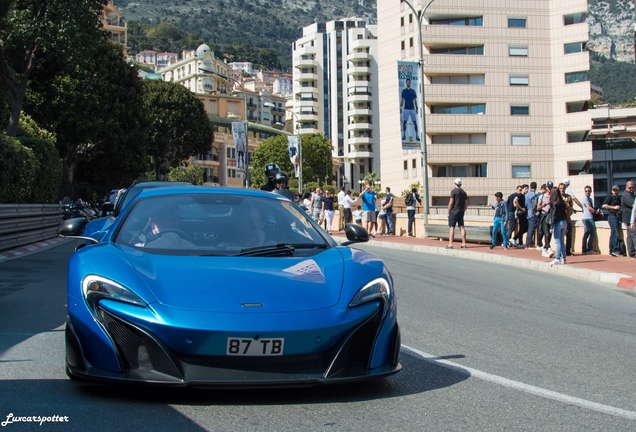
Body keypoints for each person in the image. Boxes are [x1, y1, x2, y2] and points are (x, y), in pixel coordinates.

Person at [549, 183, 570, 266]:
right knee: (562, 241)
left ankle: (557, 258)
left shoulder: (554, 203)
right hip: (564, 222)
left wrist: (551, 226)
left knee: (557, 241)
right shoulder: (562, 202)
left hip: (557, 222)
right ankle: (564, 258)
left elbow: (553, 215)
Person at [446, 178, 468, 249]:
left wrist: (448, 212)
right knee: (462, 227)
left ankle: (450, 244)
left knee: (452, 227)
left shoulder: (453, 191)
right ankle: (464, 243)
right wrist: (463, 210)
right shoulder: (464, 192)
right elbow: (466, 203)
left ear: (455, 183)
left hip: (454, 211)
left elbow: (451, 203)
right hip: (461, 211)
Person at [602, 185, 623, 256]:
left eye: (616, 190)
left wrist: (619, 210)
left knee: (613, 233)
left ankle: (611, 250)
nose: (615, 192)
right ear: (612, 191)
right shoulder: (610, 197)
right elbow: (604, 205)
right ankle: (615, 250)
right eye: (613, 190)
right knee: (615, 233)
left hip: (616, 216)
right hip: (612, 216)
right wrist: (614, 207)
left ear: (618, 191)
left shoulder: (618, 199)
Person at [581, 185, 601, 254]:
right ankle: (589, 248)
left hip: (589, 217)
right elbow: (589, 208)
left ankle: (584, 249)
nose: (587, 192)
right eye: (586, 191)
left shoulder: (590, 199)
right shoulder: (584, 198)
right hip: (587, 218)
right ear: (584, 191)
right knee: (592, 233)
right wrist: (596, 212)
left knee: (586, 233)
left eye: (589, 191)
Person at [538, 181, 554, 258]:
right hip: (544, 216)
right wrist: (542, 205)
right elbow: (538, 208)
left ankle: (546, 248)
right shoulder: (542, 196)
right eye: (548, 187)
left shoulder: (553, 196)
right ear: (546, 187)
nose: (550, 189)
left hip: (551, 216)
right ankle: (548, 248)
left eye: (551, 187)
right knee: (546, 233)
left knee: (550, 234)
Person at [559, 182, 575, 256]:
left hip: (567, 218)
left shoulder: (568, 197)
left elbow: (571, 207)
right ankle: (560, 251)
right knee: (560, 236)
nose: (562, 190)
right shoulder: (557, 197)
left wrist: (569, 207)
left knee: (569, 235)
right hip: (560, 219)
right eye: (560, 188)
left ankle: (568, 250)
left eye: (563, 188)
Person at [621, 180, 636, 258]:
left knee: (630, 236)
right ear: (626, 187)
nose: (631, 189)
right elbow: (634, 205)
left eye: (633, 187)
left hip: (629, 219)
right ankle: (633, 252)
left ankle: (632, 252)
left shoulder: (631, 194)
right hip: (629, 219)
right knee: (634, 234)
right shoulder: (627, 195)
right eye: (630, 187)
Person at [524, 182, 538, 248]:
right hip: (533, 213)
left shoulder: (526, 195)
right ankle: (529, 243)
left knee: (529, 228)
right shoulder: (534, 195)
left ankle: (527, 242)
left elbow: (526, 204)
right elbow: (534, 204)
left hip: (528, 212)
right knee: (532, 228)